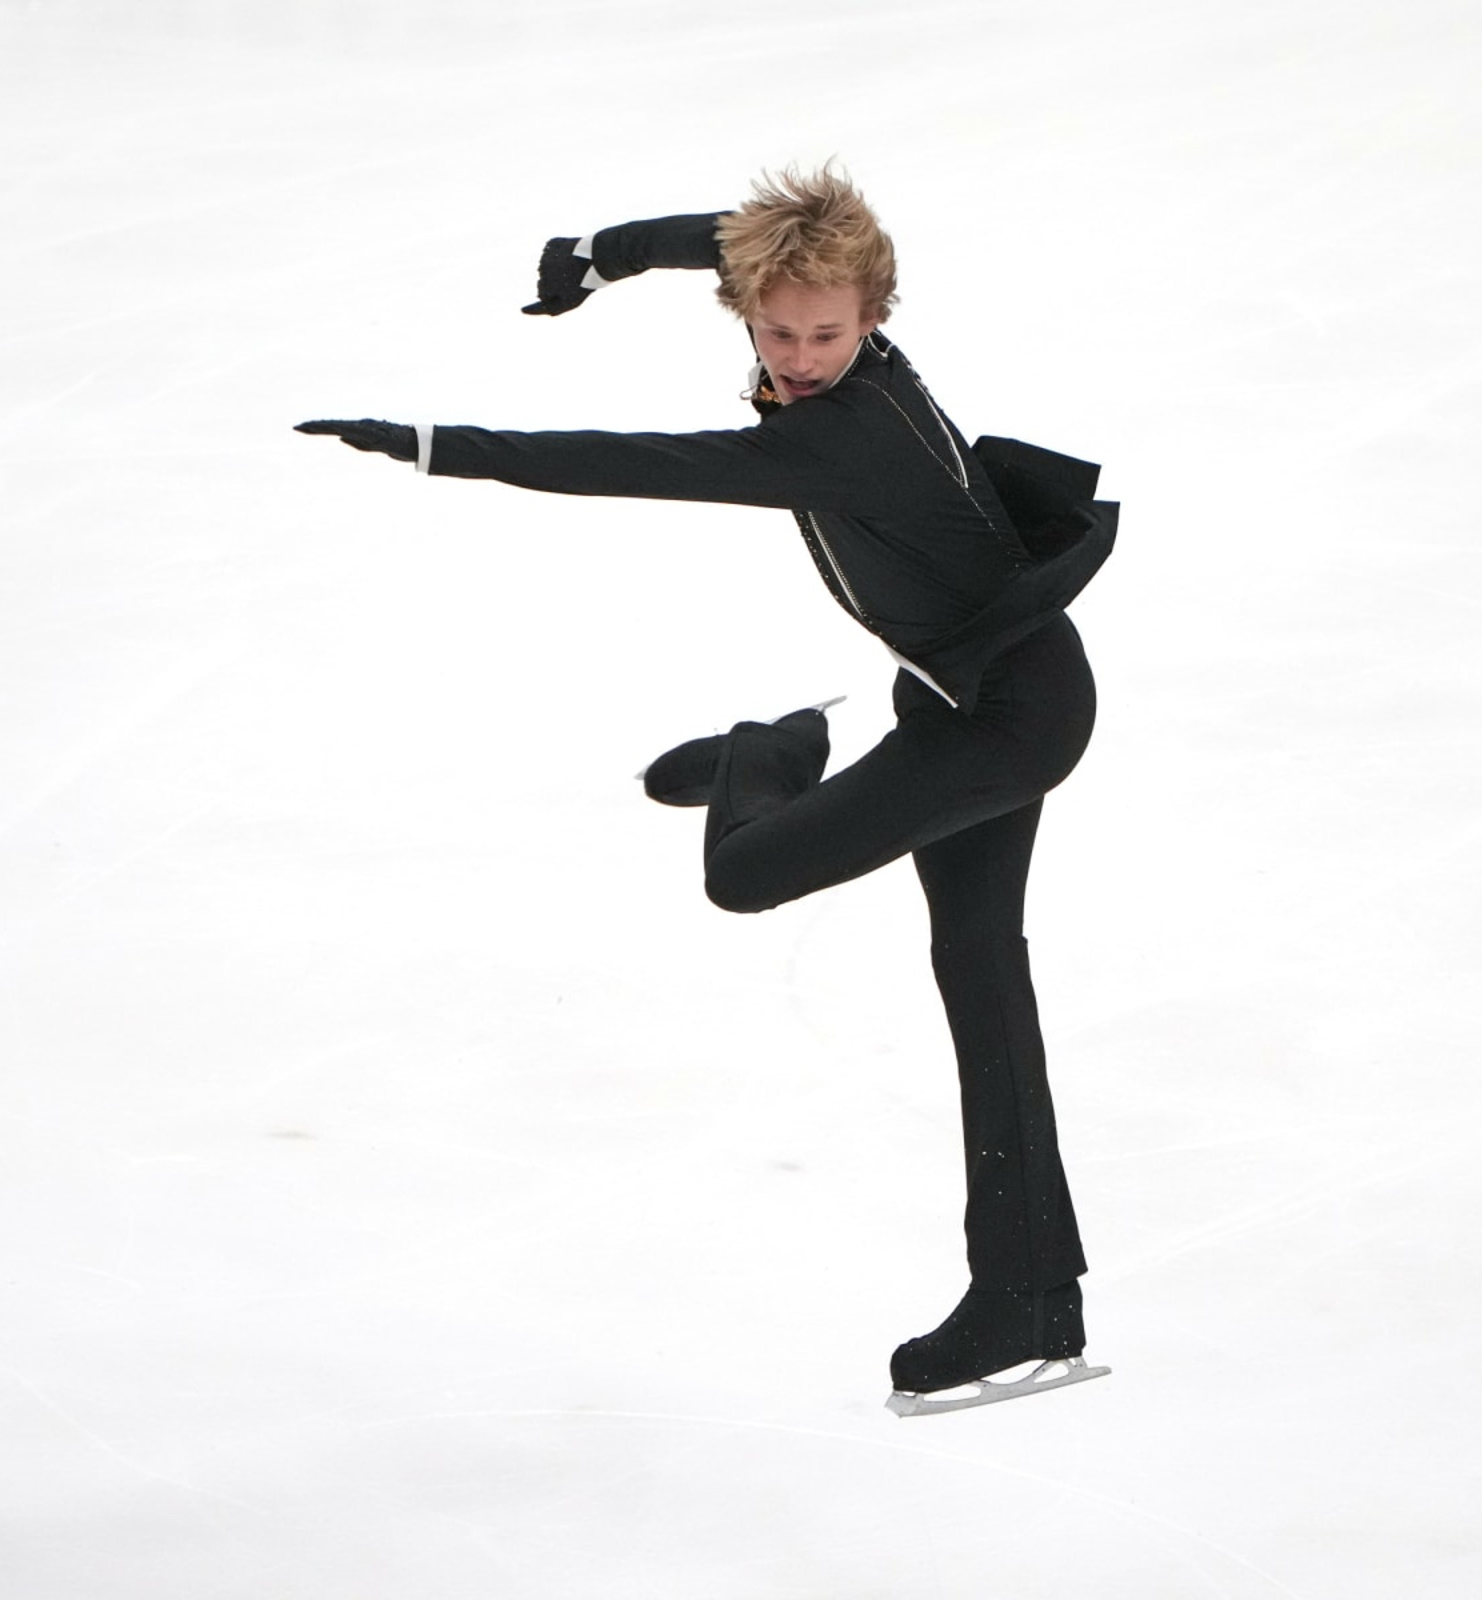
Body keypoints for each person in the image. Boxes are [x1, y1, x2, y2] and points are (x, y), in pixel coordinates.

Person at [296, 166, 1119, 1414]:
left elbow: (634, 463)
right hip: (960, 689)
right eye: (777, 330)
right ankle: (1025, 1294)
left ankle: (763, 753)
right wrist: (601, 252)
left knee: (744, 873)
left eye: (827, 334)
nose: (797, 355)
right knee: (978, 969)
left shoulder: (846, 436)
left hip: (1011, 719)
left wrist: (436, 449)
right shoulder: (807, 326)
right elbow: (731, 243)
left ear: (875, 318)